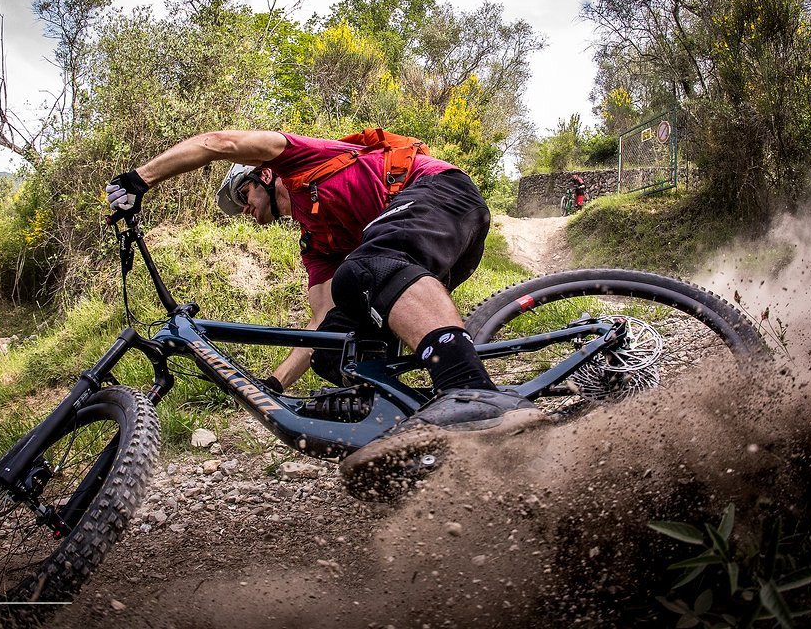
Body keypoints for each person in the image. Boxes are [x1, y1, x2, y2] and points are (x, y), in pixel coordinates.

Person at [105, 129, 542, 455]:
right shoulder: (316, 240)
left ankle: (470, 388)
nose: (245, 209)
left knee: (362, 270)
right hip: (410, 254)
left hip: (439, 195)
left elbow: (219, 142)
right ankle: (406, 434)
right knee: (333, 345)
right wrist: (269, 386)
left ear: (263, 175)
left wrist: (141, 179)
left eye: (243, 195)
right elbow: (318, 323)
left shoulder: (301, 160)